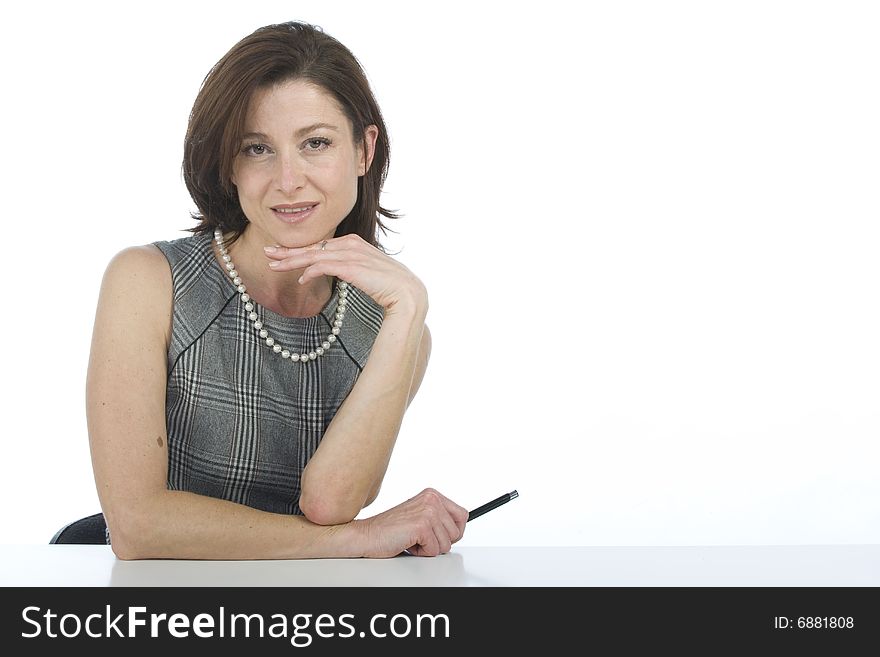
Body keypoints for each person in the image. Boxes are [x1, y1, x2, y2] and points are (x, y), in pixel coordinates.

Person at [86, 21, 468, 560]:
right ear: (229, 165)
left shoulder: (395, 333)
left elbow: (328, 504)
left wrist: (410, 309)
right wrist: (358, 539)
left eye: (316, 143)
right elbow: (136, 526)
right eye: (258, 149)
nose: (288, 180)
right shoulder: (150, 282)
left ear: (364, 150)